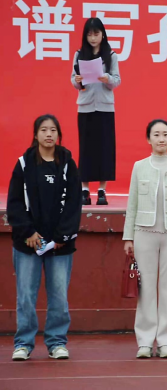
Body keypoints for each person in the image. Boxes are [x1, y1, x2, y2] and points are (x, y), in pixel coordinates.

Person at [7, 114, 82, 361]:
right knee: (26, 296)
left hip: (59, 244)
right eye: (43, 130)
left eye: (53, 130)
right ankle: (23, 344)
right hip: (28, 242)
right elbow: (14, 203)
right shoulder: (24, 164)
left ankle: (57, 342)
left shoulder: (68, 164)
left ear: (58, 134)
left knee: (58, 295)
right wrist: (28, 232)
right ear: (35, 134)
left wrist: (61, 237)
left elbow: (74, 204)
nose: (49, 134)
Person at [122, 120, 167, 359]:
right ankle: (144, 342)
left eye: (165, 134)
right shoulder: (139, 167)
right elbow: (132, 203)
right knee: (145, 290)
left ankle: (165, 342)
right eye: (156, 134)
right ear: (148, 139)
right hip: (144, 234)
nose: (161, 139)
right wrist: (128, 237)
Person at [71, 17, 121, 206]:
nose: (93, 38)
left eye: (96, 34)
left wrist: (106, 78)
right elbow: (73, 81)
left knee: (105, 148)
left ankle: (102, 190)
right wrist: (77, 80)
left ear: (103, 35)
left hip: (105, 108)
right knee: (86, 148)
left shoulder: (111, 55)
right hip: (85, 107)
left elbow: (117, 80)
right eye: (89, 34)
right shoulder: (79, 54)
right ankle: (84, 189)